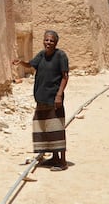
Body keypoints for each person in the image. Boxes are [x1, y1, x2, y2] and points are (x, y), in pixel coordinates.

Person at [12, 30, 69, 170]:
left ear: (56, 42)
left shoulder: (60, 56)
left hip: (53, 98)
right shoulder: (41, 55)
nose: (48, 43)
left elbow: (65, 76)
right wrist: (21, 63)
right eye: (46, 40)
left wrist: (59, 95)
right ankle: (53, 157)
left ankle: (62, 162)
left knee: (56, 128)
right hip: (41, 97)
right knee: (44, 127)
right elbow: (31, 65)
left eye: (51, 41)